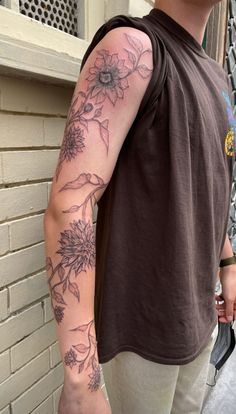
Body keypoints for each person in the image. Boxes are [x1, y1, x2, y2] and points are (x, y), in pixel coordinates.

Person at [44, 0, 236, 413]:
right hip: (142, 331)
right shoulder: (133, 47)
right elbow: (71, 202)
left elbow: (205, 186)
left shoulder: (216, 75)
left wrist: (229, 265)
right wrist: (81, 380)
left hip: (200, 317)